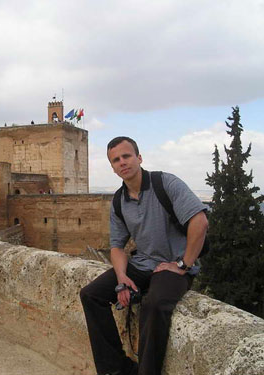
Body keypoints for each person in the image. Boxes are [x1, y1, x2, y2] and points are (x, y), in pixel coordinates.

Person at [80, 137, 208, 375]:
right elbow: (117, 246)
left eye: (126, 156)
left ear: (139, 158)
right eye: (116, 160)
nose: (122, 163)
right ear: (112, 167)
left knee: (155, 304)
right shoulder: (119, 201)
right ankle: (116, 369)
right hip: (142, 263)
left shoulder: (165, 183)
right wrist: (121, 279)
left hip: (173, 265)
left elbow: (199, 221)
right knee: (91, 295)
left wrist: (183, 264)